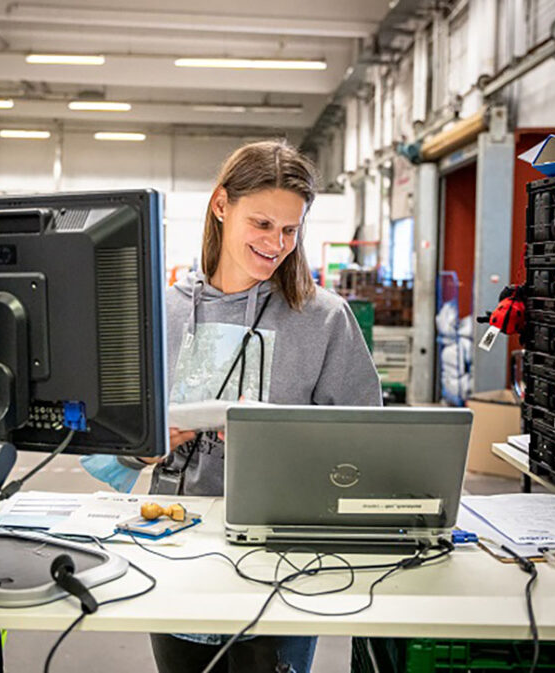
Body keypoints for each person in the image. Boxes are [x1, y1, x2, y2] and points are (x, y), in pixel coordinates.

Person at [118, 139, 382, 673]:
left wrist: (278, 447)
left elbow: (364, 450)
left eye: (290, 230)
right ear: (221, 205)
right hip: (176, 545)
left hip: (282, 551)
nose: (277, 243)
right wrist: (146, 449)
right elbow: (114, 446)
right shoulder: (161, 312)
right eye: (262, 224)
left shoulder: (324, 320)